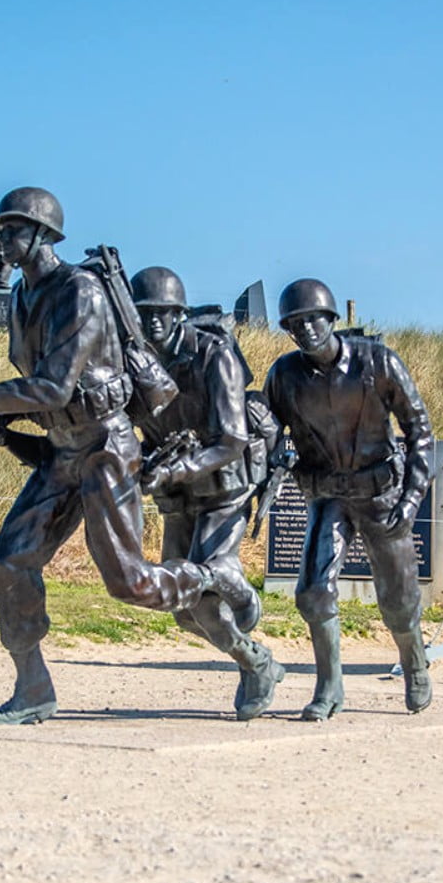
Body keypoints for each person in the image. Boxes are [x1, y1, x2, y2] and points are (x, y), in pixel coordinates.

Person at [0, 188, 250, 725]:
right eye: (0, 229)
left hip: (105, 448)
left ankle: (210, 579)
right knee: (9, 559)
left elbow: (53, 387)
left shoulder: (81, 291)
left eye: (13, 229)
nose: (1, 238)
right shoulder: (22, 297)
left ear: (44, 235)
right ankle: (33, 687)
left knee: (131, 584)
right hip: (62, 448)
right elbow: (39, 390)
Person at [262, 278, 434, 719]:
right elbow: (266, 432)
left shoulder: (377, 362)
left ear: (331, 318)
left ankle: (415, 664)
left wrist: (411, 499)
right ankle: (330, 686)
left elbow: (420, 431)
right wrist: (272, 456)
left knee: (398, 599)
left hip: (382, 494)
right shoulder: (284, 376)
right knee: (313, 591)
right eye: (295, 323)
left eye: (312, 319)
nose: (305, 329)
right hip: (327, 495)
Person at [131, 266, 285, 718]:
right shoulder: (134, 360)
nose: (154, 320)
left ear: (179, 312)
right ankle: (256, 656)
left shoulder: (213, 356)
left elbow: (232, 439)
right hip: (177, 492)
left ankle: (242, 604)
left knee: (201, 589)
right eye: (145, 312)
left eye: (163, 311)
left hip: (223, 484)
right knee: (181, 608)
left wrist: (174, 468)